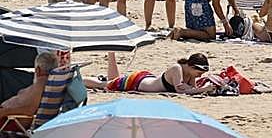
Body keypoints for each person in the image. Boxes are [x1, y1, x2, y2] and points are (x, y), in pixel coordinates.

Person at [85, 51, 219, 95]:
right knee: (105, 84)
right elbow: (181, 90)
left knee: (113, 81)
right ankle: (78, 79)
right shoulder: (176, 68)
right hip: (138, 82)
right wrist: (203, 89)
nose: (199, 75)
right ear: (190, 66)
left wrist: (198, 89)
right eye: (199, 72)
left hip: (146, 79)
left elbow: (191, 89)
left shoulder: (189, 73)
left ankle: (111, 53)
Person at [0, 52, 58, 122]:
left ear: (38, 69)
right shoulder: (51, 82)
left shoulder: (41, 83)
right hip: (9, 117)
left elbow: (30, 109)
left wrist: (4, 111)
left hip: (10, 120)